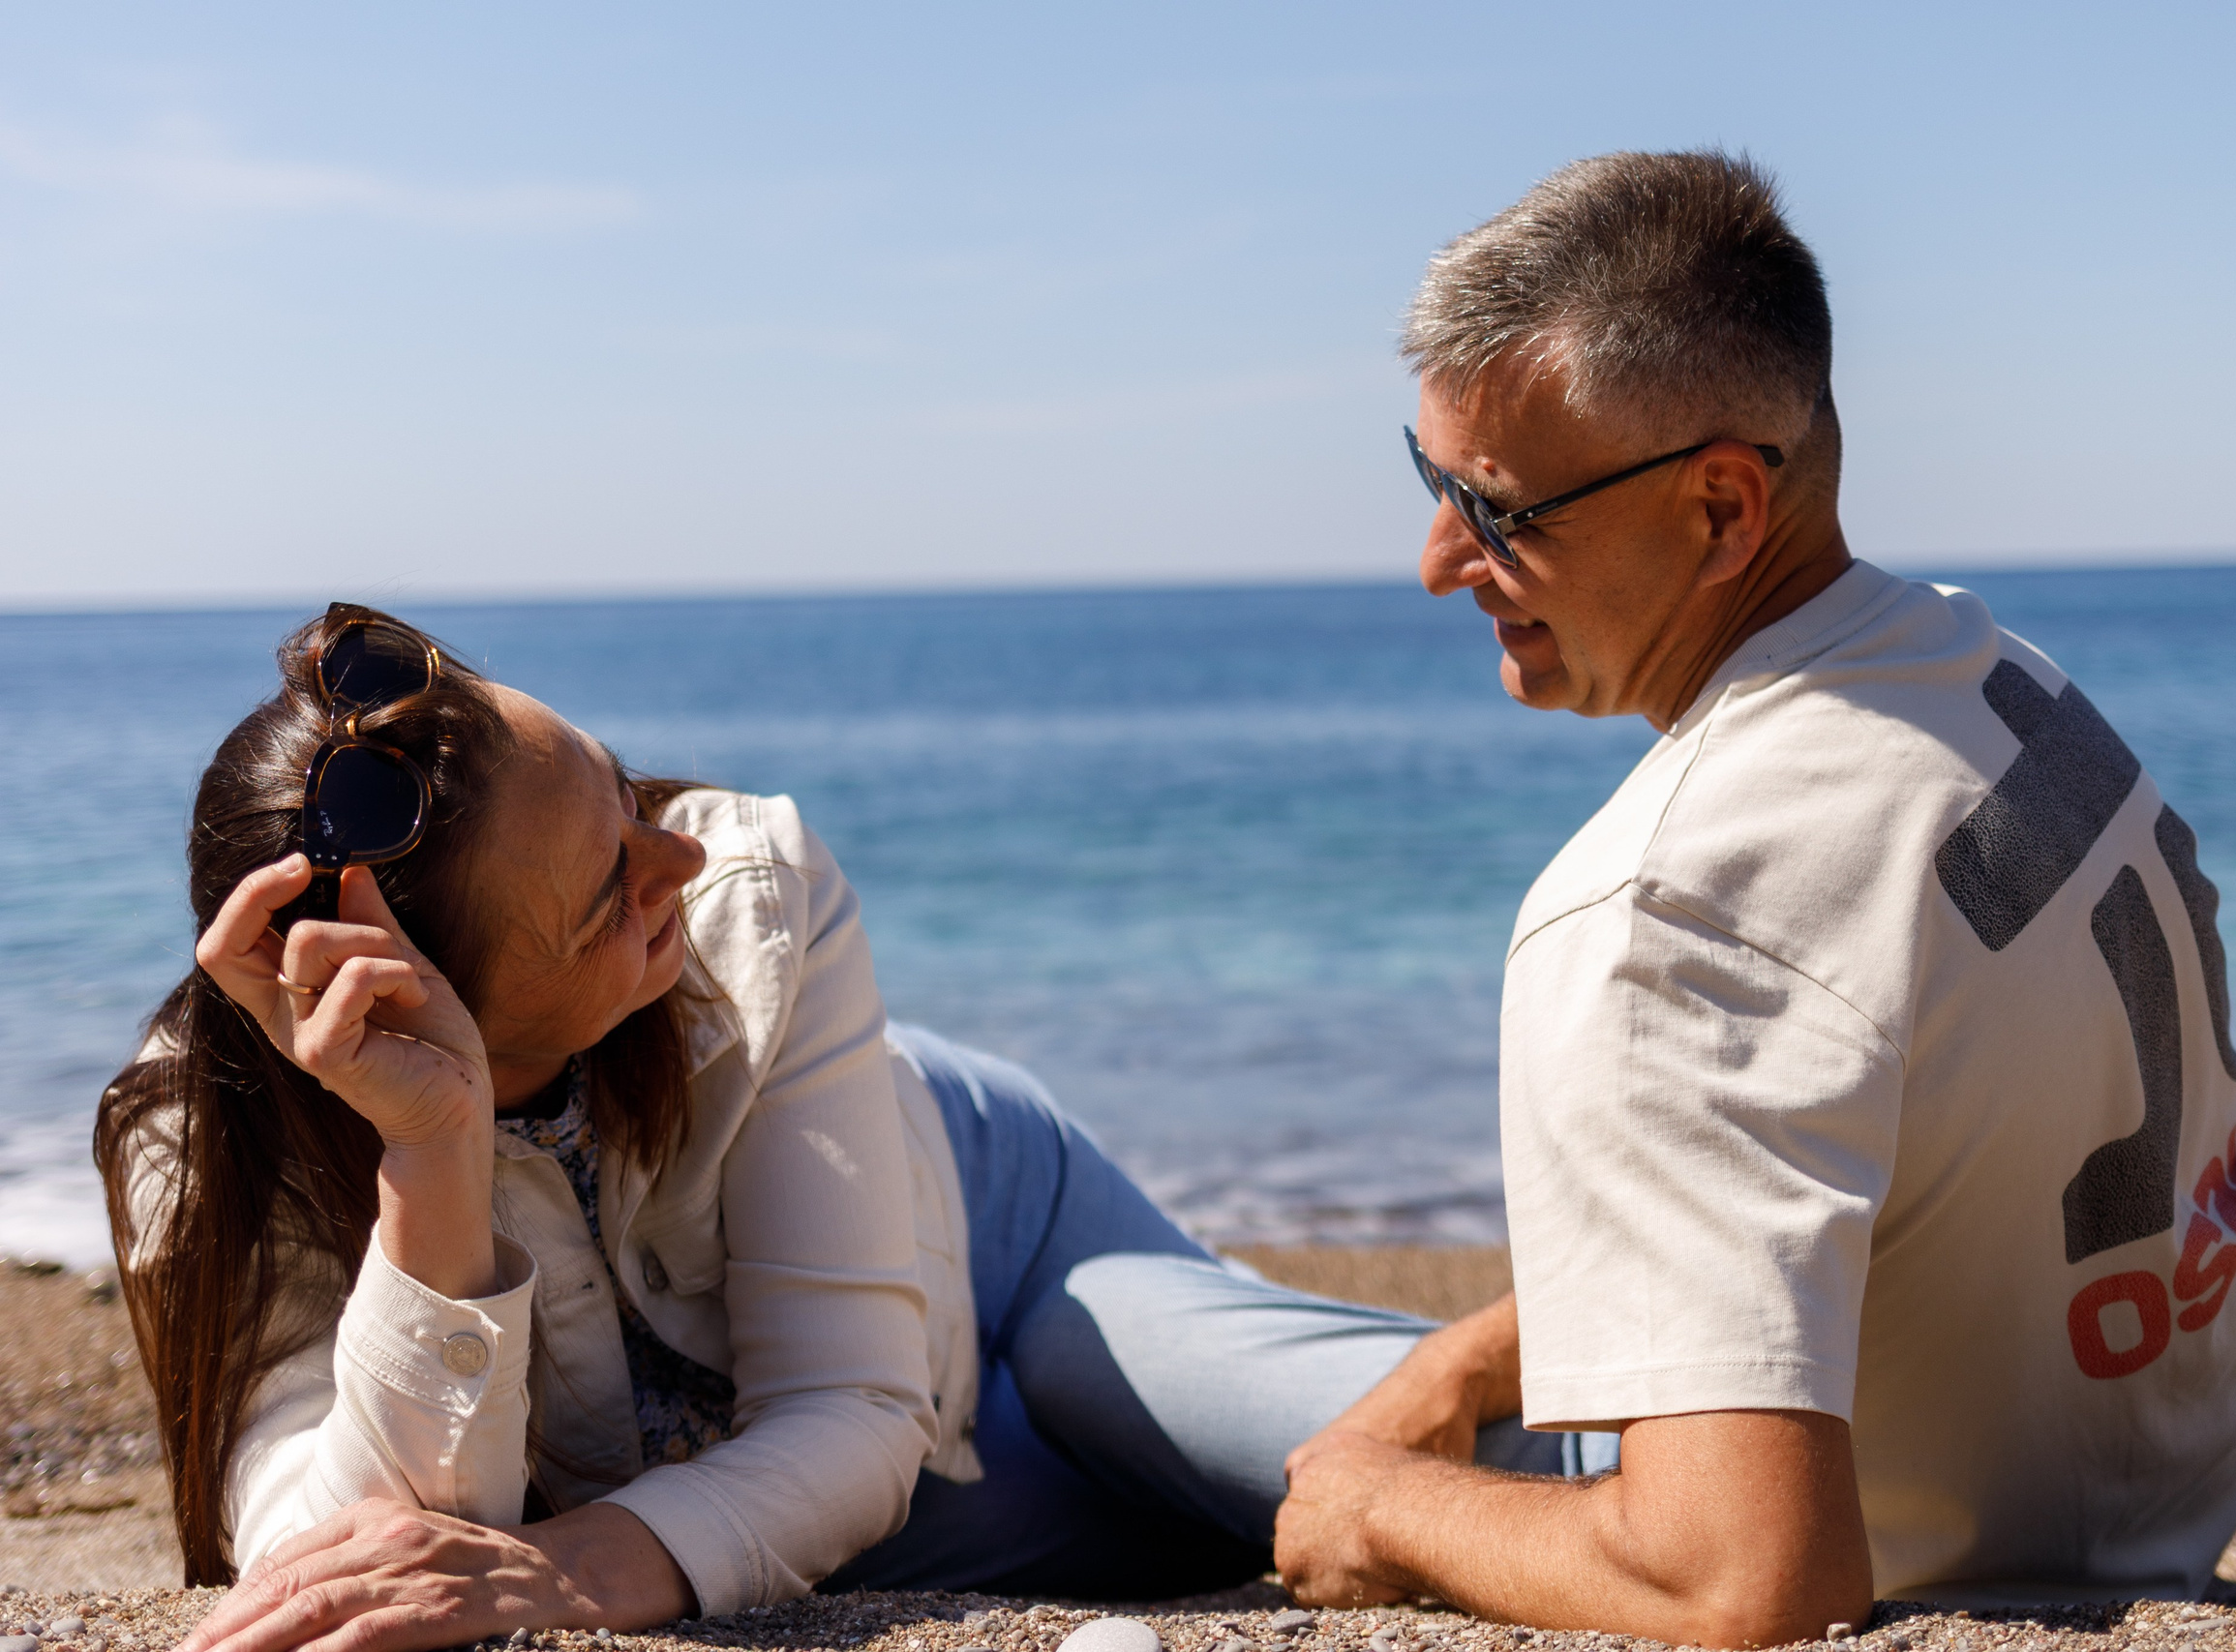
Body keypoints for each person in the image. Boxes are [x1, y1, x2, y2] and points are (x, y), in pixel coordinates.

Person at [104, 606, 1598, 1652]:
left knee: (1371, 1469)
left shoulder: (755, 897)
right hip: (900, 1501)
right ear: (453, 1015)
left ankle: (1697, 1386)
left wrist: (561, 1573)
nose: (675, 856)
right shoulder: (214, 1143)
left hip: (1005, 1241)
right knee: (1224, 1522)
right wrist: (431, 1156)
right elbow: (341, 1573)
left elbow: (847, 1416)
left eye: (624, 791)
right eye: (603, 893)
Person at [1270, 151, 2236, 1646]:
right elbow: (1906, 1180)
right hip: (2160, 1492)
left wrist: (1374, 1502)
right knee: (1309, 1347)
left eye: (1495, 511)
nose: (1438, 564)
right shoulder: (1997, 687)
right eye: (1430, 482)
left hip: (1949, 1557)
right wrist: (1476, 1365)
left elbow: (1746, 1587)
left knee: (1094, 1316)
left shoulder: (1662, 915)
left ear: (1721, 510)